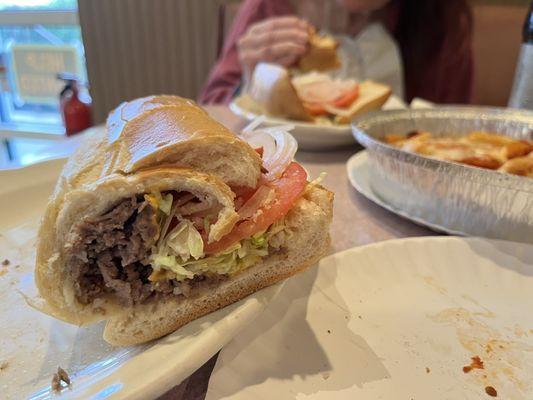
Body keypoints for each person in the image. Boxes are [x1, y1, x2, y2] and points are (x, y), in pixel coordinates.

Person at [199, 0, 473, 105]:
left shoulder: (440, 19)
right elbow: (211, 109)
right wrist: (252, 81)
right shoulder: (269, 8)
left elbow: (450, 127)